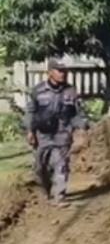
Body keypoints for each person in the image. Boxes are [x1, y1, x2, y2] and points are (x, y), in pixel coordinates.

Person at [25, 59, 88, 206]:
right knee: (41, 167)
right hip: (42, 134)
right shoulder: (38, 90)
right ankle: (46, 191)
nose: (63, 74)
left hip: (63, 133)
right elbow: (30, 112)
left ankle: (60, 196)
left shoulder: (71, 91)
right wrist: (30, 131)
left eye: (64, 71)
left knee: (61, 164)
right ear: (50, 72)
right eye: (59, 71)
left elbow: (77, 113)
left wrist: (82, 128)